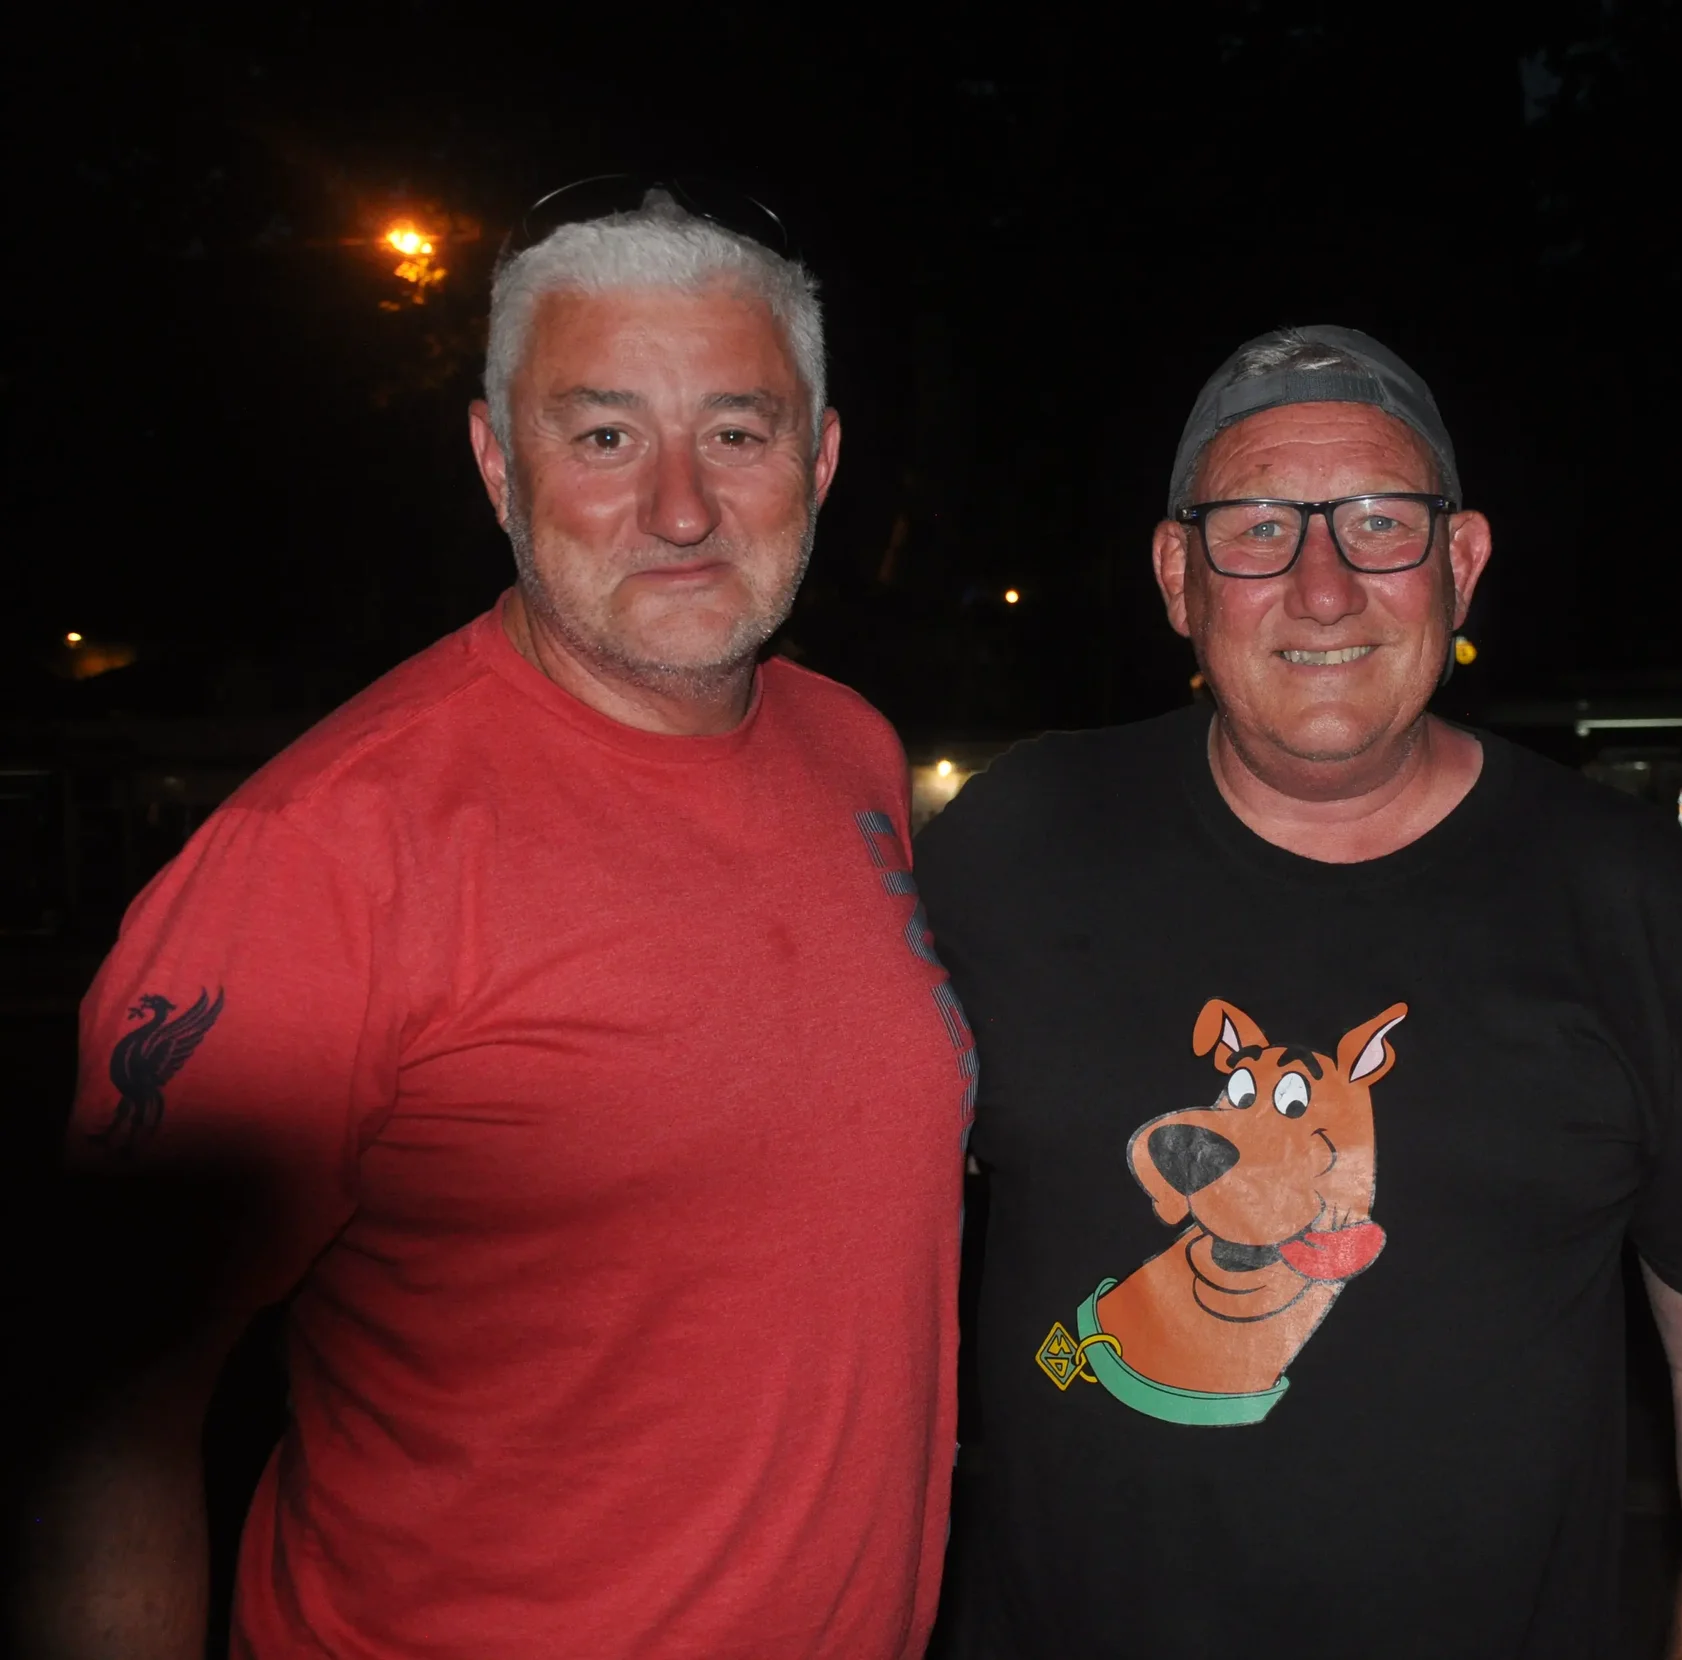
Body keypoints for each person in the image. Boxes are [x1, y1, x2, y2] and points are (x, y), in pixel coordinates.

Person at [22, 191, 972, 1659]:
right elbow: (99, 1407)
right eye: (603, 437)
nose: (679, 506)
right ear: (493, 461)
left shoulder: (850, 750)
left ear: (823, 458)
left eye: (738, 431)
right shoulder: (322, 853)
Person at [915, 326, 1682, 1659]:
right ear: (1177, 577)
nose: (1322, 588)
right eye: (1255, 528)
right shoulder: (1015, 843)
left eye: (1378, 524)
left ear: (1461, 565)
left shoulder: (1623, 895)